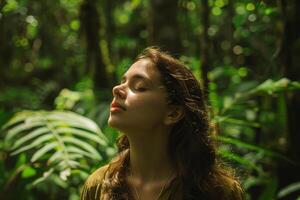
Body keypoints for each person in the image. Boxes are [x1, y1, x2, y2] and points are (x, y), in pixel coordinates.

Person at [80, 47, 244, 200]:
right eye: (123, 82)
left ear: (173, 113)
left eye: (139, 87)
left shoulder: (218, 191)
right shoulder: (98, 186)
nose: (117, 89)